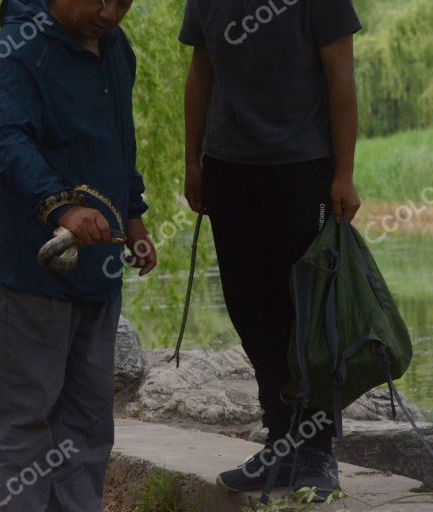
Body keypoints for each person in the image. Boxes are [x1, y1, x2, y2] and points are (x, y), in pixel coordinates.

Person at [0, 0, 155, 510]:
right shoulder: (18, 48)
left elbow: (121, 142)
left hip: (98, 266)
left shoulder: (117, 50)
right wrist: (60, 207)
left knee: (89, 416)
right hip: (30, 265)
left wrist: (133, 214)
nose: (109, 12)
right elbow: (9, 143)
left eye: (122, 2)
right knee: (24, 415)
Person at [179, 0, 362, 500]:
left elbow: (340, 73)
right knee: (249, 309)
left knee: (306, 314)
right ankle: (281, 442)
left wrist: (343, 174)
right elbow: (201, 72)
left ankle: (318, 449)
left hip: (302, 168)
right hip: (228, 168)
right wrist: (192, 160)